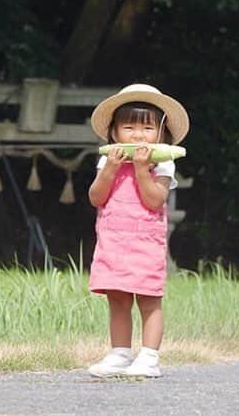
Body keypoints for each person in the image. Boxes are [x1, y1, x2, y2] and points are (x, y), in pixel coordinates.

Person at [86, 83, 189, 378]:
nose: (137, 135)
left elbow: (155, 200)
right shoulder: (108, 160)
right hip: (113, 240)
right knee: (117, 298)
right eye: (128, 127)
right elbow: (96, 197)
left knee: (148, 298)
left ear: (161, 132)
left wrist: (143, 169)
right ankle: (119, 353)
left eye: (146, 127)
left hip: (145, 240)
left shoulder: (163, 163)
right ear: (114, 133)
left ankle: (149, 356)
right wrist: (109, 170)